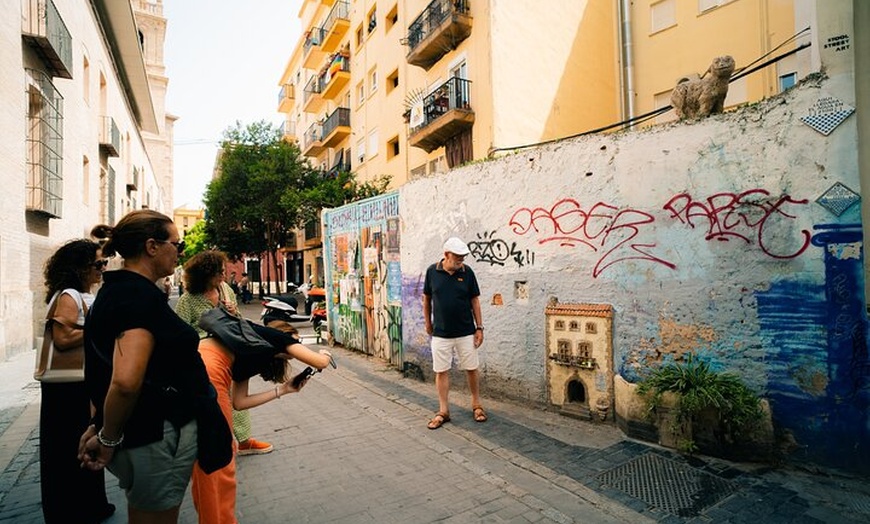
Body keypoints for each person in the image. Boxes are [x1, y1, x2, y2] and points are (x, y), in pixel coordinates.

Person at [78, 210, 223, 524]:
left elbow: (106, 368)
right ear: (152, 247)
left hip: (144, 432)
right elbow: (126, 381)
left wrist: (99, 424)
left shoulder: (116, 291)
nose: (179, 252)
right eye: (176, 244)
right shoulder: (137, 297)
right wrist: (107, 438)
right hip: (156, 434)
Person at [191, 318, 334, 523]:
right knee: (219, 458)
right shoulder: (275, 336)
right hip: (211, 372)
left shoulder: (250, 347)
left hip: (197, 366)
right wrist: (325, 354)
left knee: (206, 456)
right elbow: (320, 362)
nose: (296, 346)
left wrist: (283, 390)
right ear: (286, 334)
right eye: (296, 340)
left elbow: (239, 402)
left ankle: (211, 517)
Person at [39, 239, 115, 524]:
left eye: (104, 263)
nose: (102, 269)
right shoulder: (69, 295)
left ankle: (90, 505)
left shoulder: (80, 294)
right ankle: (72, 511)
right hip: (66, 389)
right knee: (69, 448)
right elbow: (62, 339)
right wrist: (98, 330)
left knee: (82, 445)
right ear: (80, 268)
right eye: (98, 264)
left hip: (77, 384)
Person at [174, 251, 273, 457]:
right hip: (205, 359)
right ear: (204, 274)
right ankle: (215, 446)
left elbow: (237, 320)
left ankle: (245, 441)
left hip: (231, 351)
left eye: (223, 271)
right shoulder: (188, 299)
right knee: (215, 400)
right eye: (218, 272)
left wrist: (232, 312)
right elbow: (180, 333)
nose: (223, 275)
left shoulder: (226, 289)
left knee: (237, 395)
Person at [422, 237, 487, 429]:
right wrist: (427, 323)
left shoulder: (468, 273)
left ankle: (476, 405)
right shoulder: (432, 272)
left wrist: (479, 327)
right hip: (441, 333)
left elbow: (475, 300)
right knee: (441, 371)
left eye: (463, 258)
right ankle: (443, 411)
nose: (460, 262)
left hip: (466, 331)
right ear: (446, 255)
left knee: (471, 368)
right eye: (457, 258)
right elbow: (426, 299)